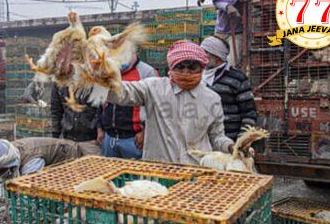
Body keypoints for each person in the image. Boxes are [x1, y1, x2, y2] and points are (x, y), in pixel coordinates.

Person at [90, 40, 235, 165]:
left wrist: (231, 146)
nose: (186, 72)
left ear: (201, 68)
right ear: (171, 67)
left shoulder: (211, 99)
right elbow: (122, 92)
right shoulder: (153, 88)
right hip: (159, 170)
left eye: (192, 67)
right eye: (180, 67)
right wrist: (99, 75)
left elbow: (216, 136)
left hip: (196, 170)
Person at [97, 56, 157, 159]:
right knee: (109, 174)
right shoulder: (106, 70)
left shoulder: (147, 71)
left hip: (134, 140)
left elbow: (156, 106)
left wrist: (145, 131)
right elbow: (99, 100)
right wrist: (100, 128)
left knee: (134, 174)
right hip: (109, 138)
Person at [0, 137, 81, 195]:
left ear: (10, 165)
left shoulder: (31, 162)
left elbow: (29, 192)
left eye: (2, 170)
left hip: (66, 154)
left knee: (63, 191)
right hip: (45, 157)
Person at [201, 36, 257, 140]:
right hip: (203, 142)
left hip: (229, 142)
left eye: (205, 53)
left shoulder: (238, 78)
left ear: (217, 56)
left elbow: (249, 113)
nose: (201, 57)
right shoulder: (197, 76)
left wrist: (241, 141)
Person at [197, 0, 242, 67]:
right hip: (221, 30)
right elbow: (216, 2)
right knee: (210, 60)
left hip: (237, 31)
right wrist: (227, 6)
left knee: (232, 64)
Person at [51, 83, 101, 155]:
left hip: (91, 140)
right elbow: (56, 111)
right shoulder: (59, 82)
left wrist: (99, 128)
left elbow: (101, 107)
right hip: (68, 140)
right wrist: (55, 137)